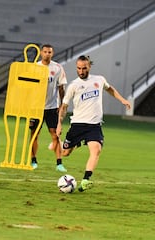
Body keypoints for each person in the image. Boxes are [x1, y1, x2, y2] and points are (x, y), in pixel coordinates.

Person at [56, 55, 131, 192]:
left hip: (94, 126)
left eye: (84, 68)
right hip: (78, 124)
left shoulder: (99, 80)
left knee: (96, 150)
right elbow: (64, 106)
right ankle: (73, 143)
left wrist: (122, 100)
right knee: (65, 153)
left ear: (89, 66)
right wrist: (59, 124)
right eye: (78, 68)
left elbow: (110, 89)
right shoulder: (74, 85)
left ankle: (85, 180)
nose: (81, 71)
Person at [29, 44, 67, 172]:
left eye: (49, 52)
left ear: (53, 53)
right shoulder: (35, 67)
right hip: (36, 107)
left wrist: (62, 104)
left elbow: (61, 87)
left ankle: (59, 163)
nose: (47, 54)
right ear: (41, 53)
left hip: (52, 107)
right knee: (34, 135)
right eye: (45, 52)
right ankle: (33, 161)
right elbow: (28, 88)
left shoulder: (57, 68)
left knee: (55, 135)